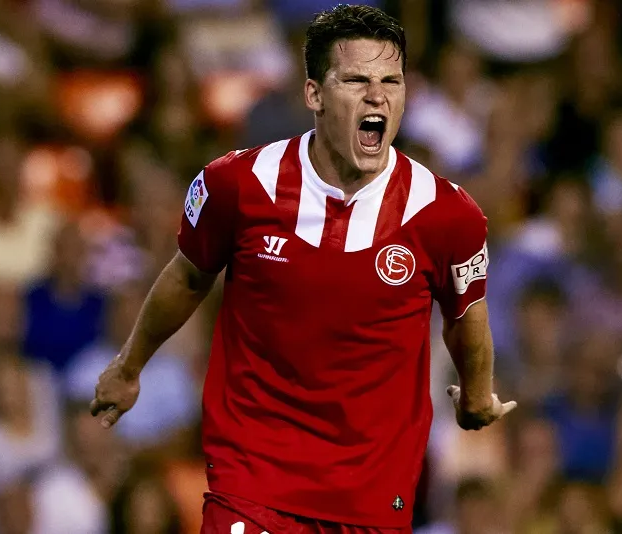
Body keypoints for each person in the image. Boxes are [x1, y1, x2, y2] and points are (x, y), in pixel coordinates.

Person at [91, 5, 516, 533]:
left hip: (371, 502)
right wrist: (129, 367)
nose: (377, 95)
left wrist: (477, 396)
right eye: (356, 79)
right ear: (313, 93)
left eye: (392, 80)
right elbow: (187, 276)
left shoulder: (447, 215)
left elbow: (465, 312)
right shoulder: (238, 185)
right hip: (253, 486)